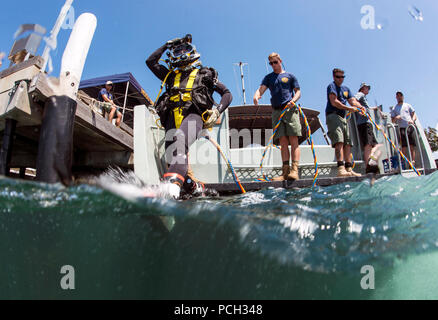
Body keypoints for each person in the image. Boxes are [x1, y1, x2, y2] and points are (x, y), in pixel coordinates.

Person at [146, 34, 232, 199]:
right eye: (177, 51)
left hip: (194, 115)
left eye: (186, 49)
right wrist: (166, 45)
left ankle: (171, 184)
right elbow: (150, 62)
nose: (182, 53)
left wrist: (217, 111)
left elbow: (227, 93)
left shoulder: (205, 74)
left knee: (180, 140)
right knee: (173, 156)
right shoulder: (170, 76)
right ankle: (193, 187)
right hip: (172, 117)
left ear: (193, 52)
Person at [253, 53, 302, 181]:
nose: (273, 65)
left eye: (275, 62)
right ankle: (285, 172)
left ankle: (294, 170)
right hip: (276, 111)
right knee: (283, 142)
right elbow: (261, 89)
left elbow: (298, 91)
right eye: (271, 63)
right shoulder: (268, 78)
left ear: (280, 61)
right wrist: (256, 95)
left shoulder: (290, 76)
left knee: (293, 139)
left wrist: (293, 100)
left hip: (290, 110)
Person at [326, 68, 364, 177]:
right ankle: (340, 168)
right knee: (339, 142)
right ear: (334, 77)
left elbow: (352, 101)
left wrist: (360, 107)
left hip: (343, 118)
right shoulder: (331, 86)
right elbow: (334, 102)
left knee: (348, 143)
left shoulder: (346, 89)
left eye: (342, 77)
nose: (340, 79)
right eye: (338, 77)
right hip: (333, 115)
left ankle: (348, 168)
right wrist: (349, 108)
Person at [354, 83, 382, 173]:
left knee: (375, 145)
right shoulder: (360, 94)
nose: (368, 90)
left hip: (368, 123)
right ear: (363, 88)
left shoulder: (364, 98)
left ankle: (371, 163)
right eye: (367, 88)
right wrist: (360, 109)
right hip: (364, 123)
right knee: (368, 144)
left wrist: (375, 108)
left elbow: (368, 108)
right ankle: (368, 167)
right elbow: (354, 100)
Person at [391, 91, 418, 166]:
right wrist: (396, 117)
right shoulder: (394, 108)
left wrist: (412, 120)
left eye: (401, 96)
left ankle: (412, 161)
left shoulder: (408, 105)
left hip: (409, 126)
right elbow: (392, 120)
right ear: (396, 98)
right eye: (398, 96)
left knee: (412, 144)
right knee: (404, 146)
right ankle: (405, 162)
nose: (399, 97)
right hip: (402, 128)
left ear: (403, 97)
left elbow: (414, 114)